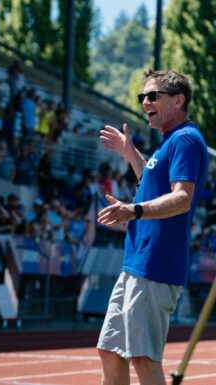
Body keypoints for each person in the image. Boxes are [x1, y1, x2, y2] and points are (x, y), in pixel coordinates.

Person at [97, 69, 208, 385]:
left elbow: (182, 199)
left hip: (156, 265)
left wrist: (133, 210)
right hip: (137, 262)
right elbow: (153, 181)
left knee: (144, 359)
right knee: (111, 352)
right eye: (142, 96)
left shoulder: (186, 139)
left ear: (178, 100)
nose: (145, 101)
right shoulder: (170, 141)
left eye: (153, 95)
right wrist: (129, 152)